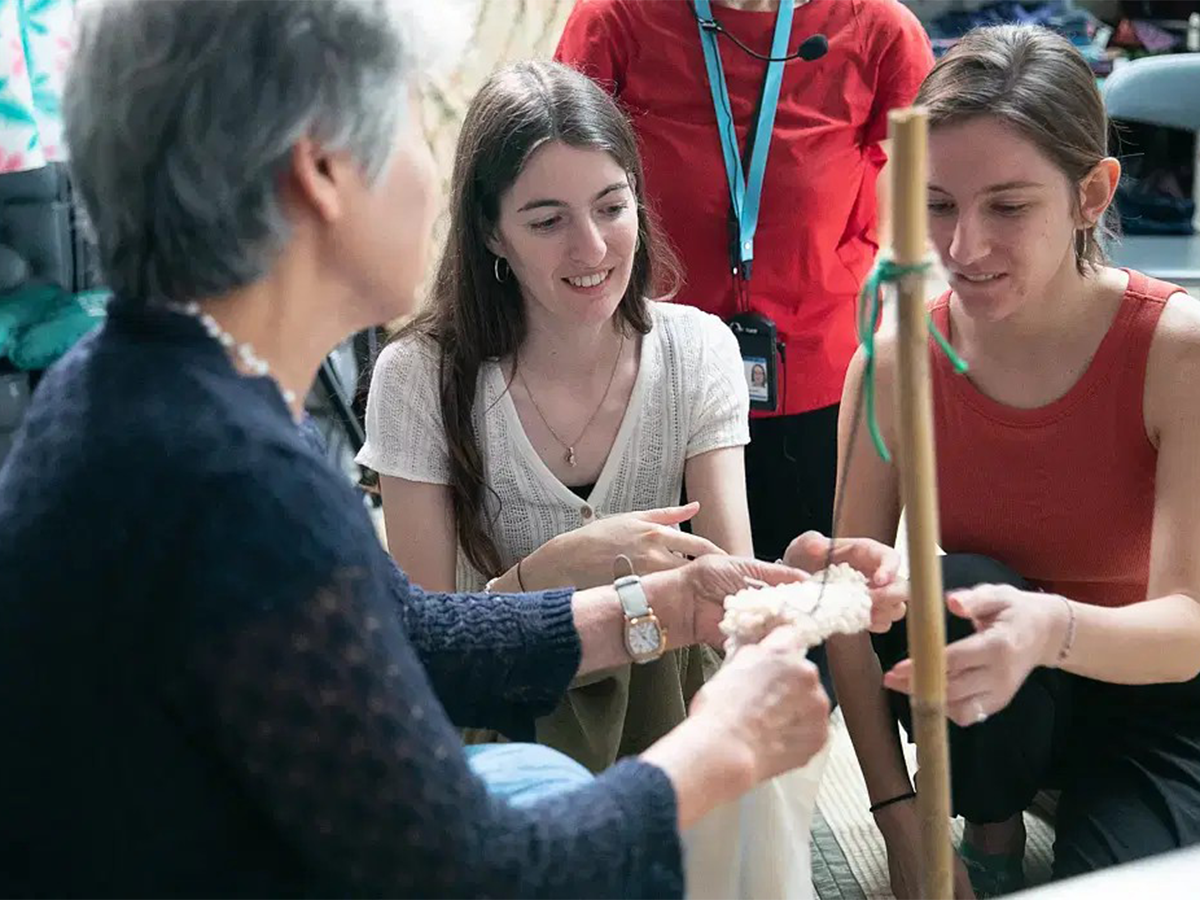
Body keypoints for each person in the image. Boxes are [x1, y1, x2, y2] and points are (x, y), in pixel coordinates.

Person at [0, 1, 908, 896]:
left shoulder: (143, 384)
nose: (433, 173)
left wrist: (673, 606)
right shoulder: (232, 479)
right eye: (407, 124)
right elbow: (472, 868)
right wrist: (721, 749)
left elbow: (405, 630)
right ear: (321, 170)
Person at [827, 24, 1200, 899]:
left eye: (1007, 205)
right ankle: (986, 818)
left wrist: (1054, 630)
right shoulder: (891, 358)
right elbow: (845, 614)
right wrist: (901, 822)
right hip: (993, 698)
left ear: (1091, 194)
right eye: (940, 204)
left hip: (1151, 688)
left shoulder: (1177, 353)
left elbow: (1188, 629)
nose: (962, 249)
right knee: (959, 587)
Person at [358, 59, 757, 772]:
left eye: (612, 206)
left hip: (671, 725)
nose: (594, 249)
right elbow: (423, 648)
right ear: (490, 234)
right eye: (548, 221)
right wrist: (553, 569)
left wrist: (814, 587)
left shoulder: (700, 350)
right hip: (500, 729)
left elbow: (734, 606)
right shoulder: (418, 375)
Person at [555, 0, 934, 565]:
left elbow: (915, 212)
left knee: (822, 606)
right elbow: (559, 174)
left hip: (820, 379)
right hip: (650, 377)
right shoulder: (615, 18)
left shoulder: (879, 28)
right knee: (670, 614)